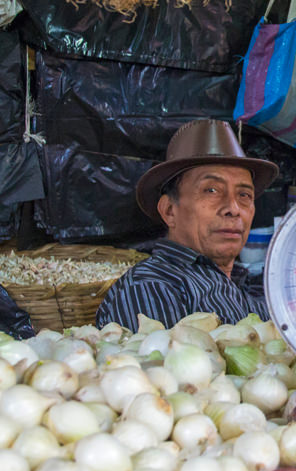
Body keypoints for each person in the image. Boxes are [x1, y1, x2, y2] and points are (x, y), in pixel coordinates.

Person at [96, 119, 279, 331]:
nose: (233, 208)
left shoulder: (239, 282)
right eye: (211, 190)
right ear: (169, 211)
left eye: (244, 195)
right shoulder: (152, 286)